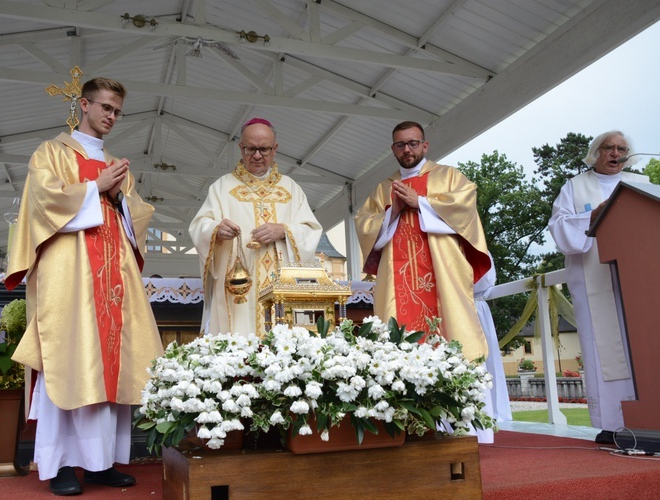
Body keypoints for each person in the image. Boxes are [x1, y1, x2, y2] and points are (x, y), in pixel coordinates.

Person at [4, 77, 165, 495]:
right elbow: (42, 200)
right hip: (71, 275)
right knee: (69, 359)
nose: (112, 117)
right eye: (106, 108)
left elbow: (138, 214)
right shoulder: (52, 153)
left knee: (111, 366)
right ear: (84, 104)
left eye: (117, 111)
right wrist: (96, 188)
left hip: (114, 279)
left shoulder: (115, 163)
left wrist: (121, 199)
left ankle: (99, 464)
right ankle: (59, 466)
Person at [354, 121, 491, 361]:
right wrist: (392, 212)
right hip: (399, 282)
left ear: (424, 146)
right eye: (400, 145)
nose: (407, 149)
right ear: (393, 149)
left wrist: (422, 203)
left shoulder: (449, 177)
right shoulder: (383, 188)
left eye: (413, 143)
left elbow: (464, 210)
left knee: (449, 338)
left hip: (441, 276)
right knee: (398, 348)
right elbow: (364, 225)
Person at [548, 130, 649, 444]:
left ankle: (651, 416)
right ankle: (611, 423)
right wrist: (590, 215)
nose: (616, 153)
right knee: (604, 346)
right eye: (609, 148)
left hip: (640, 281)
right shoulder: (576, 187)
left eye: (622, 148)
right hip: (597, 282)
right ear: (596, 152)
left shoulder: (642, 185)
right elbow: (558, 226)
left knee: (646, 345)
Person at [189, 118, 322, 335]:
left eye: (264, 149)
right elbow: (199, 226)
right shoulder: (222, 187)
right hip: (238, 291)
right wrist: (216, 231)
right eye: (251, 149)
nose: (257, 156)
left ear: (275, 149)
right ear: (241, 148)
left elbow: (311, 229)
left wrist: (284, 230)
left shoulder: (291, 189)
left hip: (281, 289)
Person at [475, 254, 512, 423]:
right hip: (466, 305)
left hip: (474, 306)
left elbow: (486, 279)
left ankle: (491, 410)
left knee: (485, 362)